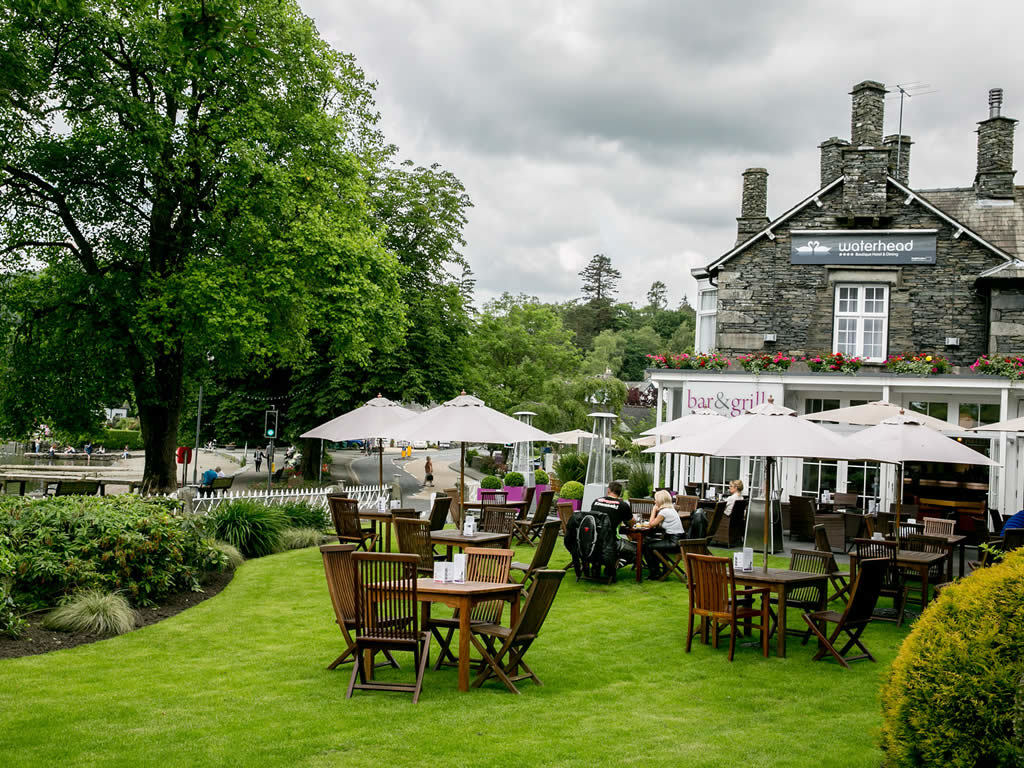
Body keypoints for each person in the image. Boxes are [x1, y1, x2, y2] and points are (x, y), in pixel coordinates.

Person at [644, 490, 686, 578]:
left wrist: (653, 510)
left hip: (673, 542)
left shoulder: (664, 512)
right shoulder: (671, 509)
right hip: (678, 540)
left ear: (660, 501)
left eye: (656, 500)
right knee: (650, 543)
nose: (654, 502)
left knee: (648, 547)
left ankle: (655, 573)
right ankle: (663, 568)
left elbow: (651, 524)